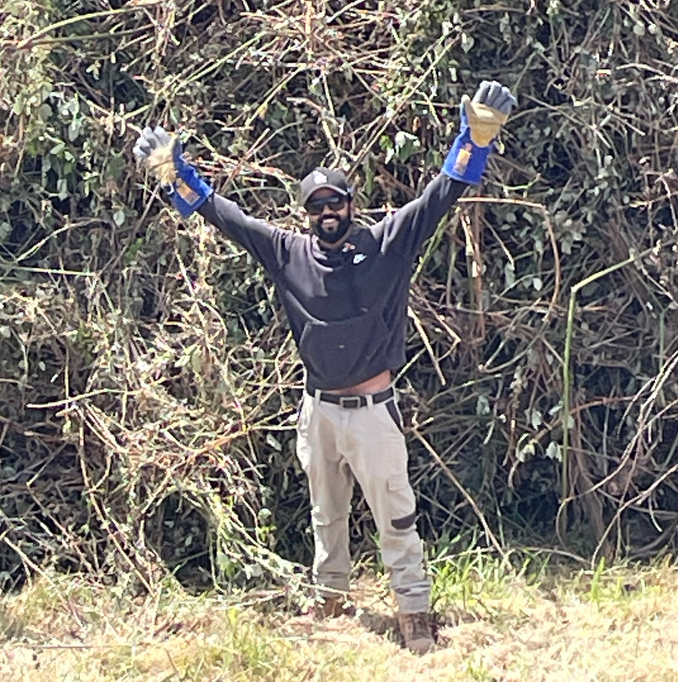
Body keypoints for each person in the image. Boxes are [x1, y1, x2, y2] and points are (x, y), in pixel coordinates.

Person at [133, 80, 516, 654]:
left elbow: (444, 192)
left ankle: (413, 609)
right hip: (318, 410)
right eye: (317, 206)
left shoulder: (387, 244)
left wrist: (476, 139)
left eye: (335, 202)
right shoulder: (288, 252)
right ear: (306, 213)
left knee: (396, 513)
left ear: (350, 205)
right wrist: (172, 175)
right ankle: (331, 597)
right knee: (325, 512)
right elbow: (223, 216)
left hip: (372, 411)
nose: (327, 213)